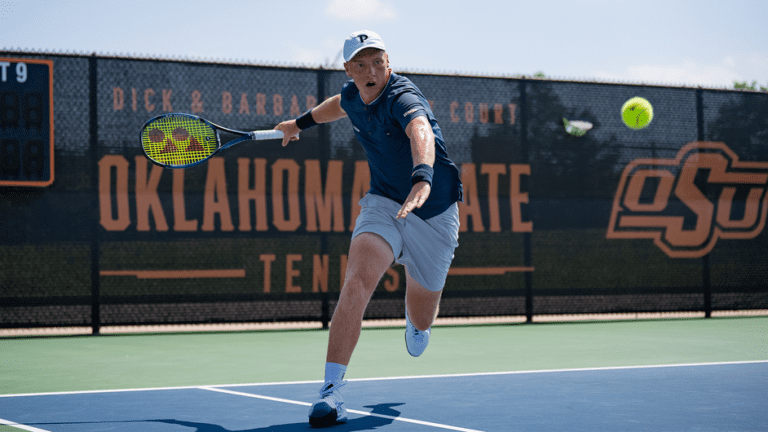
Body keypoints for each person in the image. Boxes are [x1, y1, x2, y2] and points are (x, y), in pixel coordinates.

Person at [274, 30, 463, 428]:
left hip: (434, 209)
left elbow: (420, 131)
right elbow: (336, 105)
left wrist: (423, 177)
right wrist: (298, 123)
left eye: (377, 61)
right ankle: (330, 393)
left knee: (423, 313)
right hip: (384, 205)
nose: (370, 70)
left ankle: (415, 320)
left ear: (388, 63)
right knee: (357, 280)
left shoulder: (403, 96)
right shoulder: (351, 95)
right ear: (349, 70)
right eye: (360, 64)